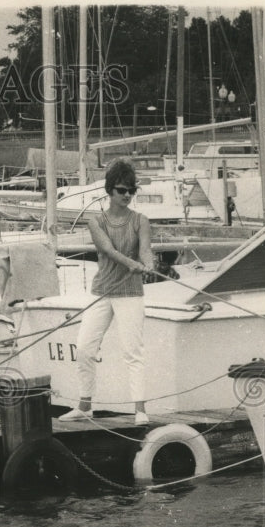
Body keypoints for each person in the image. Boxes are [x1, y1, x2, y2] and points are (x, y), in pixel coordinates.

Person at [59, 158, 154, 426]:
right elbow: (108, 250)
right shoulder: (95, 221)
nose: (127, 196)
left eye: (131, 191)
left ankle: (140, 410)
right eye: (122, 190)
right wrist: (131, 263)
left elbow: (146, 249)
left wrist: (148, 263)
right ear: (110, 190)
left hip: (130, 293)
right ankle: (85, 406)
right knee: (84, 348)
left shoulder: (141, 220)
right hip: (102, 291)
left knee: (133, 352)